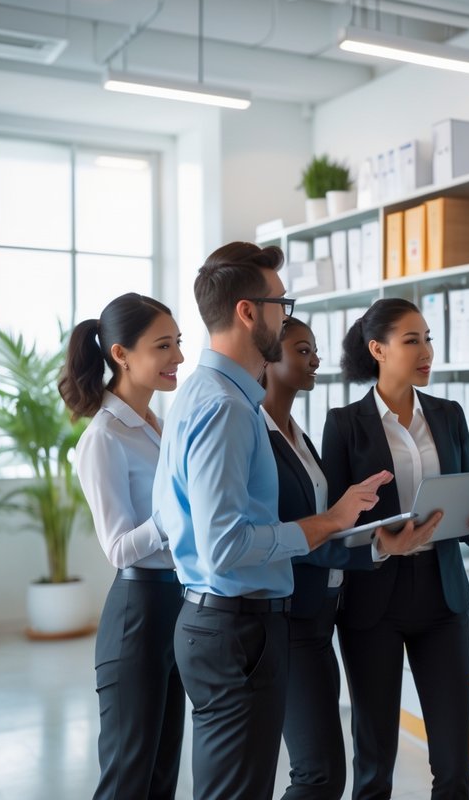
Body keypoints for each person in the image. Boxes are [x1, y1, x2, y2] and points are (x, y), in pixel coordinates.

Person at [153, 241, 399, 800]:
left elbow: (169, 517)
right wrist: (327, 522)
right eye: (280, 305)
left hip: (223, 622)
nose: (284, 316)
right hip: (236, 627)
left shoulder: (200, 394)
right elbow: (224, 545)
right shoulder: (227, 408)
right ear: (248, 312)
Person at [321, 297, 469, 800]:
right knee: (375, 761)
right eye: (412, 340)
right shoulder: (343, 425)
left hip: (441, 597)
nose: (426, 351)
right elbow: (330, 532)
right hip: (372, 601)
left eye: (428, 338)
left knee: (452, 763)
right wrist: (382, 544)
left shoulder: (449, 415)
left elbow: (467, 514)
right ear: (377, 348)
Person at [261, 316, 436, 800]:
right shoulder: (261, 437)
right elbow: (299, 537)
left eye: (314, 349)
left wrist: (364, 532)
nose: (315, 359)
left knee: (325, 773)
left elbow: (327, 528)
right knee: (320, 775)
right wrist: (377, 544)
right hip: (293, 618)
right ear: (268, 358)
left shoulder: (299, 437)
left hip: (322, 617)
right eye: (302, 350)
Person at [59, 293, 185, 800]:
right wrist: (177, 516)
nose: (177, 357)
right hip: (137, 614)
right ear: (121, 354)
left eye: (179, 344)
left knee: (162, 776)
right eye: (163, 346)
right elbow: (117, 547)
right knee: (128, 779)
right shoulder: (104, 437)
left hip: (178, 606)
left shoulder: (160, 425)